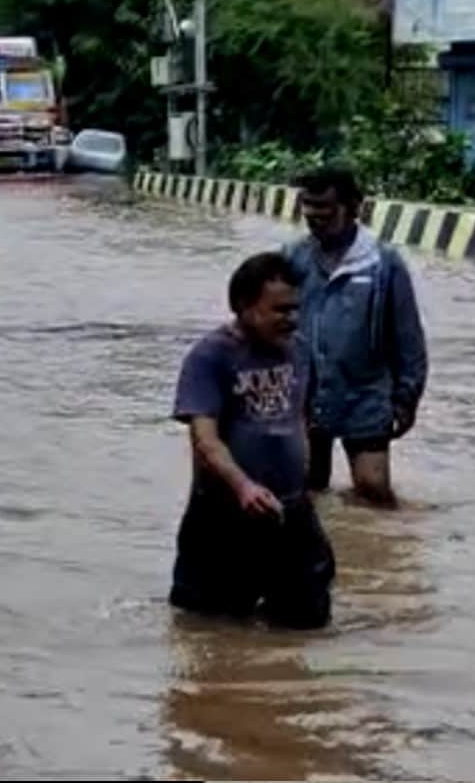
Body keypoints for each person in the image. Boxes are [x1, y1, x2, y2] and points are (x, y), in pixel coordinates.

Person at [169, 251, 334, 630]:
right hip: (224, 514)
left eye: (295, 309)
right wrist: (243, 486)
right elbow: (205, 439)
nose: (291, 320)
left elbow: (302, 418)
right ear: (244, 306)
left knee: (307, 622)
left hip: (290, 512)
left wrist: (306, 484)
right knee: (210, 629)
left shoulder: (300, 351)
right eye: (279, 310)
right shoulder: (210, 357)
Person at [284, 166, 428, 507]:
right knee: (306, 489)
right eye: (308, 207)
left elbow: (408, 338)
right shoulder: (293, 259)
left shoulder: (383, 264)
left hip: (364, 393)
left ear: (354, 208)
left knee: (373, 488)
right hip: (305, 393)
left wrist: (407, 397)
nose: (314, 217)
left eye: (325, 208)